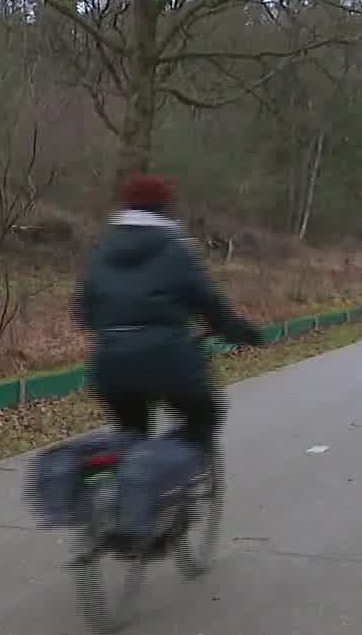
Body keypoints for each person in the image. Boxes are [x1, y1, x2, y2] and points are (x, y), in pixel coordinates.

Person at [73, 174, 264, 457]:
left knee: (131, 434)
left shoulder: (103, 249)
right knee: (204, 416)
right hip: (167, 360)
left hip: (110, 364)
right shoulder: (176, 248)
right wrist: (240, 330)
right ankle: (162, 482)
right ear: (164, 207)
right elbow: (208, 302)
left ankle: (121, 489)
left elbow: (85, 312)